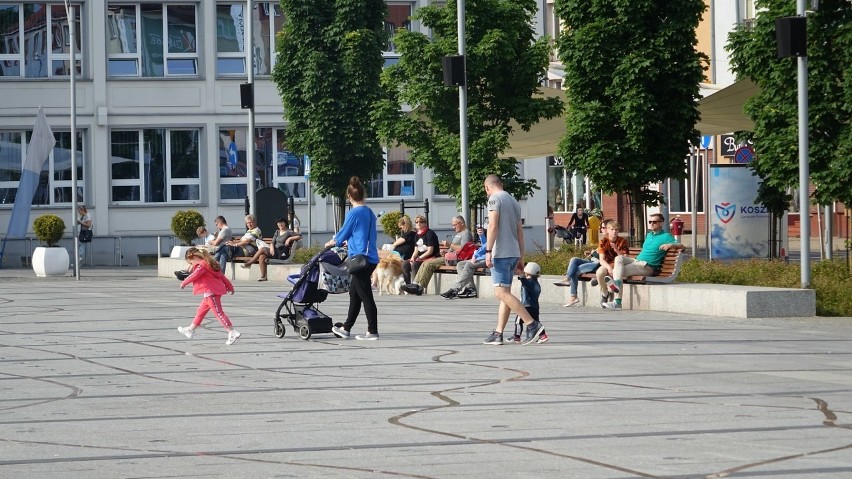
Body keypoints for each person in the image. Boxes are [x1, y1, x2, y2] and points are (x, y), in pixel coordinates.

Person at [481, 174, 546, 345]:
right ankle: (498, 333)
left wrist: (488, 251)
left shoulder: (494, 200)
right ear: (500, 184)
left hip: (500, 252)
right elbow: (520, 232)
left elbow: (493, 225)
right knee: (506, 294)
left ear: (487, 187)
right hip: (513, 252)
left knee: (500, 293)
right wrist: (521, 257)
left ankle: (532, 324)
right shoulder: (513, 201)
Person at [328, 177, 380, 340]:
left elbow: (344, 232)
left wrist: (333, 241)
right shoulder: (369, 212)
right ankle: (346, 327)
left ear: (349, 197)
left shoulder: (354, 213)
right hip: (369, 258)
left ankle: (372, 331)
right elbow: (361, 233)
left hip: (359, 260)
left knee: (365, 296)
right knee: (355, 294)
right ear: (363, 194)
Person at [602, 213, 684, 310]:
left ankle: (617, 301)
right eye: (650, 222)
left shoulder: (666, 236)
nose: (652, 224)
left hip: (647, 267)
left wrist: (671, 245)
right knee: (618, 259)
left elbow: (682, 246)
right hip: (637, 261)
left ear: (661, 223)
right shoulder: (649, 235)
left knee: (616, 271)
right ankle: (617, 286)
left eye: (654, 222)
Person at [177, 247, 241, 345]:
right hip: (210, 293)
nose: (191, 265)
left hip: (211, 292)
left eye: (191, 263)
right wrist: (230, 286)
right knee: (200, 312)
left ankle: (232, 332)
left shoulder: (201, 265)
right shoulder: (209, 264)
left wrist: (184, 282)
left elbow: (195, 275)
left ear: (194, 257)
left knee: (218, 313)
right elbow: (222, 276)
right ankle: (190, 329)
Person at [412, 215, 473, 290]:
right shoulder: (459, 234)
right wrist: (446, 252)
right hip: (450, 257)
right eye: (452, 225)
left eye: (455, 225)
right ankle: (415, 284)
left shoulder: (465, 233)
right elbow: (455, 249)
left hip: (457, 259)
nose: (453, 227)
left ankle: (420, 287)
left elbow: (464, 249)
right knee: (425, 263)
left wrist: (450, 245)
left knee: (429, 263)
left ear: (462, 223)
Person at [440, 225, 487, 299]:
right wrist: (482, 236)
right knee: (460, 264)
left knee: (469, 264)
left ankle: (454, 290)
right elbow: (485, 245)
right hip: (483, 257)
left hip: (491, 258)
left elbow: (490, 248)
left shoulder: (497, 230)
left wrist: (476, 256)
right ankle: (470, 288)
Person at [593, 219, 630, 307]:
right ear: (608, 230)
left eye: (616, 229)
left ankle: (614, 289)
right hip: (608, 264)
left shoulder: (623, 241)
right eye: (612, 229)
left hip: (619, 264)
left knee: (616, 270)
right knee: (599, 273)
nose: (614, 232)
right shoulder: (603, 242)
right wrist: (609, 268)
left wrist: (617, 250)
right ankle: (605, 293)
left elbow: (625, 258)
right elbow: (602, 260)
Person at [510, 262, 548, 344]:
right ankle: (543, 336)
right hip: (535, 307)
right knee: (535, 322)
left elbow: (524, 282)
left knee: (518, 321)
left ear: (527, 271)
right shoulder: (536, 283)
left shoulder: (529, 282)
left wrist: (520, 274)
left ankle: (516, 336)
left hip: (526, 306)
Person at [402, 215, 439, 285]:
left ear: (425, 223)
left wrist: (418, 258)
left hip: (431, 257)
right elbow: (416, 250)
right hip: (420, 258)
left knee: (415, 265)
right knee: (405, 264)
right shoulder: (417, 235)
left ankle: (416, 285)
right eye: (416, 222)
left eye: (421, 222)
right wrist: (412, 258)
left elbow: (430, 251)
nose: (418, 223)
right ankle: (408, 285)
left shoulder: (430, 233)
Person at [226, 214, 265, 281]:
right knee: (224, 249)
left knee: (224, 250)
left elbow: (247, 242)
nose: (249, 224)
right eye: (247, 223)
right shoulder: (249, 231)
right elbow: (242, 241)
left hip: (248, 250)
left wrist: (235, 244)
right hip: (242, 248)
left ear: (255, 222)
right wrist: (232, 243)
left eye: (250, 222)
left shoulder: (257, 231)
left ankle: (218, 269)